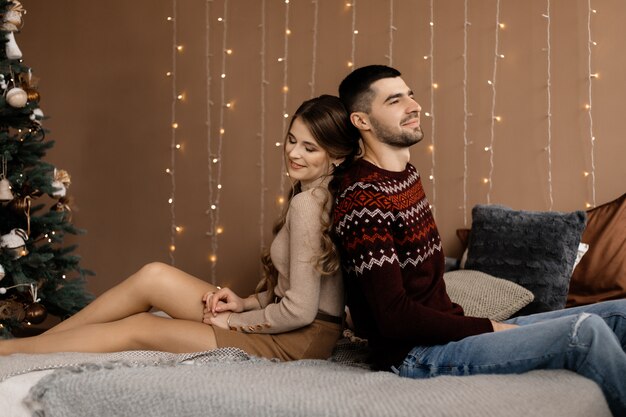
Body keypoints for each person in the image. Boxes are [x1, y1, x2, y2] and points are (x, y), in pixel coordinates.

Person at [332, 64, 626, 416]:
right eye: (395, 100)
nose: (413, 105)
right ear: (362, 121)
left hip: (451, 330)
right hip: (414, 354)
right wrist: (489, 327)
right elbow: (392, 317)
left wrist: (482, 328)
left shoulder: (405, 174)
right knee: (586, 333)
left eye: (410, 94)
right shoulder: (363, 200)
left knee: (621, 313)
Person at [0, 94, 360, 361]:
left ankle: (14, 351)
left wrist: (233, 323)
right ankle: (38, 346)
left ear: (337, 155)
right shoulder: (314, 192)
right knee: (153, 276)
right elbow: (301, 287)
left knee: (139, 329)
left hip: (297, 341)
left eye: (310, 148)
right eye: (292, 140)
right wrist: (246, 301)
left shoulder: (308, 205)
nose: (294, 153)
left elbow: (301, 310)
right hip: (294, 324)